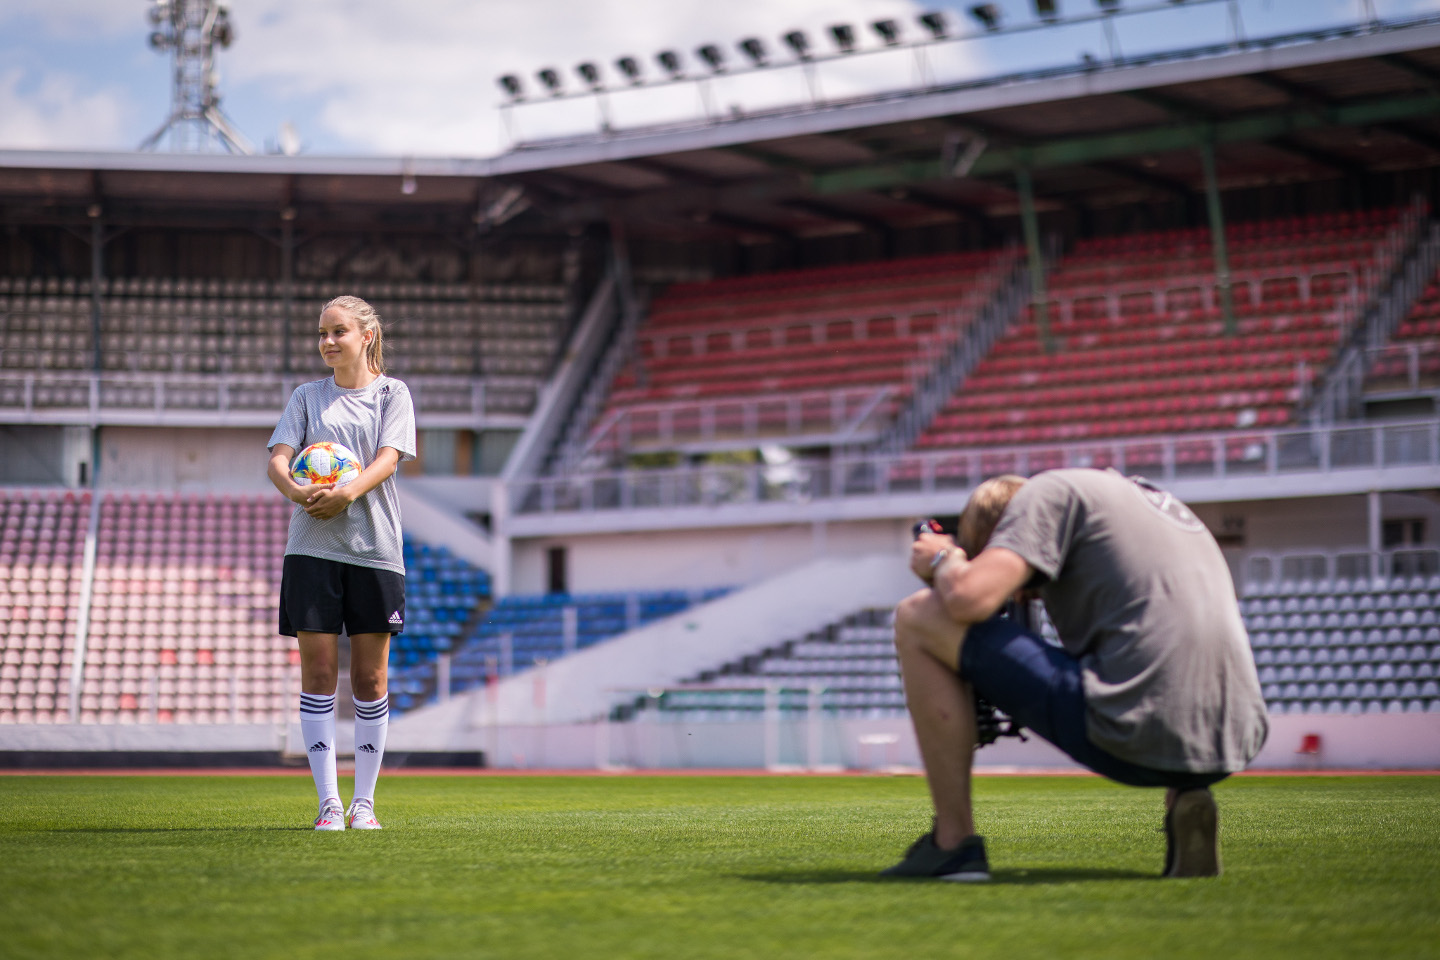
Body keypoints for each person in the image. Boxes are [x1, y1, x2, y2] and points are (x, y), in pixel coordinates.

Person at [884, 468, 1269, 880]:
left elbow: (968, 599)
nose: (1025, 598)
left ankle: (953, 845)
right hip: (1233, 739)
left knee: (919, 615)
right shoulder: (1150, 501)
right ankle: (1186, 797)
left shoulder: (1044, 496)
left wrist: (946, 559)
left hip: (1136, 729)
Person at [266, 295, 416, 831]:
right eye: (322, 333)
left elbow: (389, 460)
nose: (328, 342)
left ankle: (365, 804)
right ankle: (330, 803)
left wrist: (346, 492)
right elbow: (279, 461)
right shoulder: (306, 396)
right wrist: (299, 491)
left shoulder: (392, 394)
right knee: (320, 674)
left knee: (372, 680)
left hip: (375, 550)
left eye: (339, 332)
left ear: (366, 335)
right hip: (311, 550)